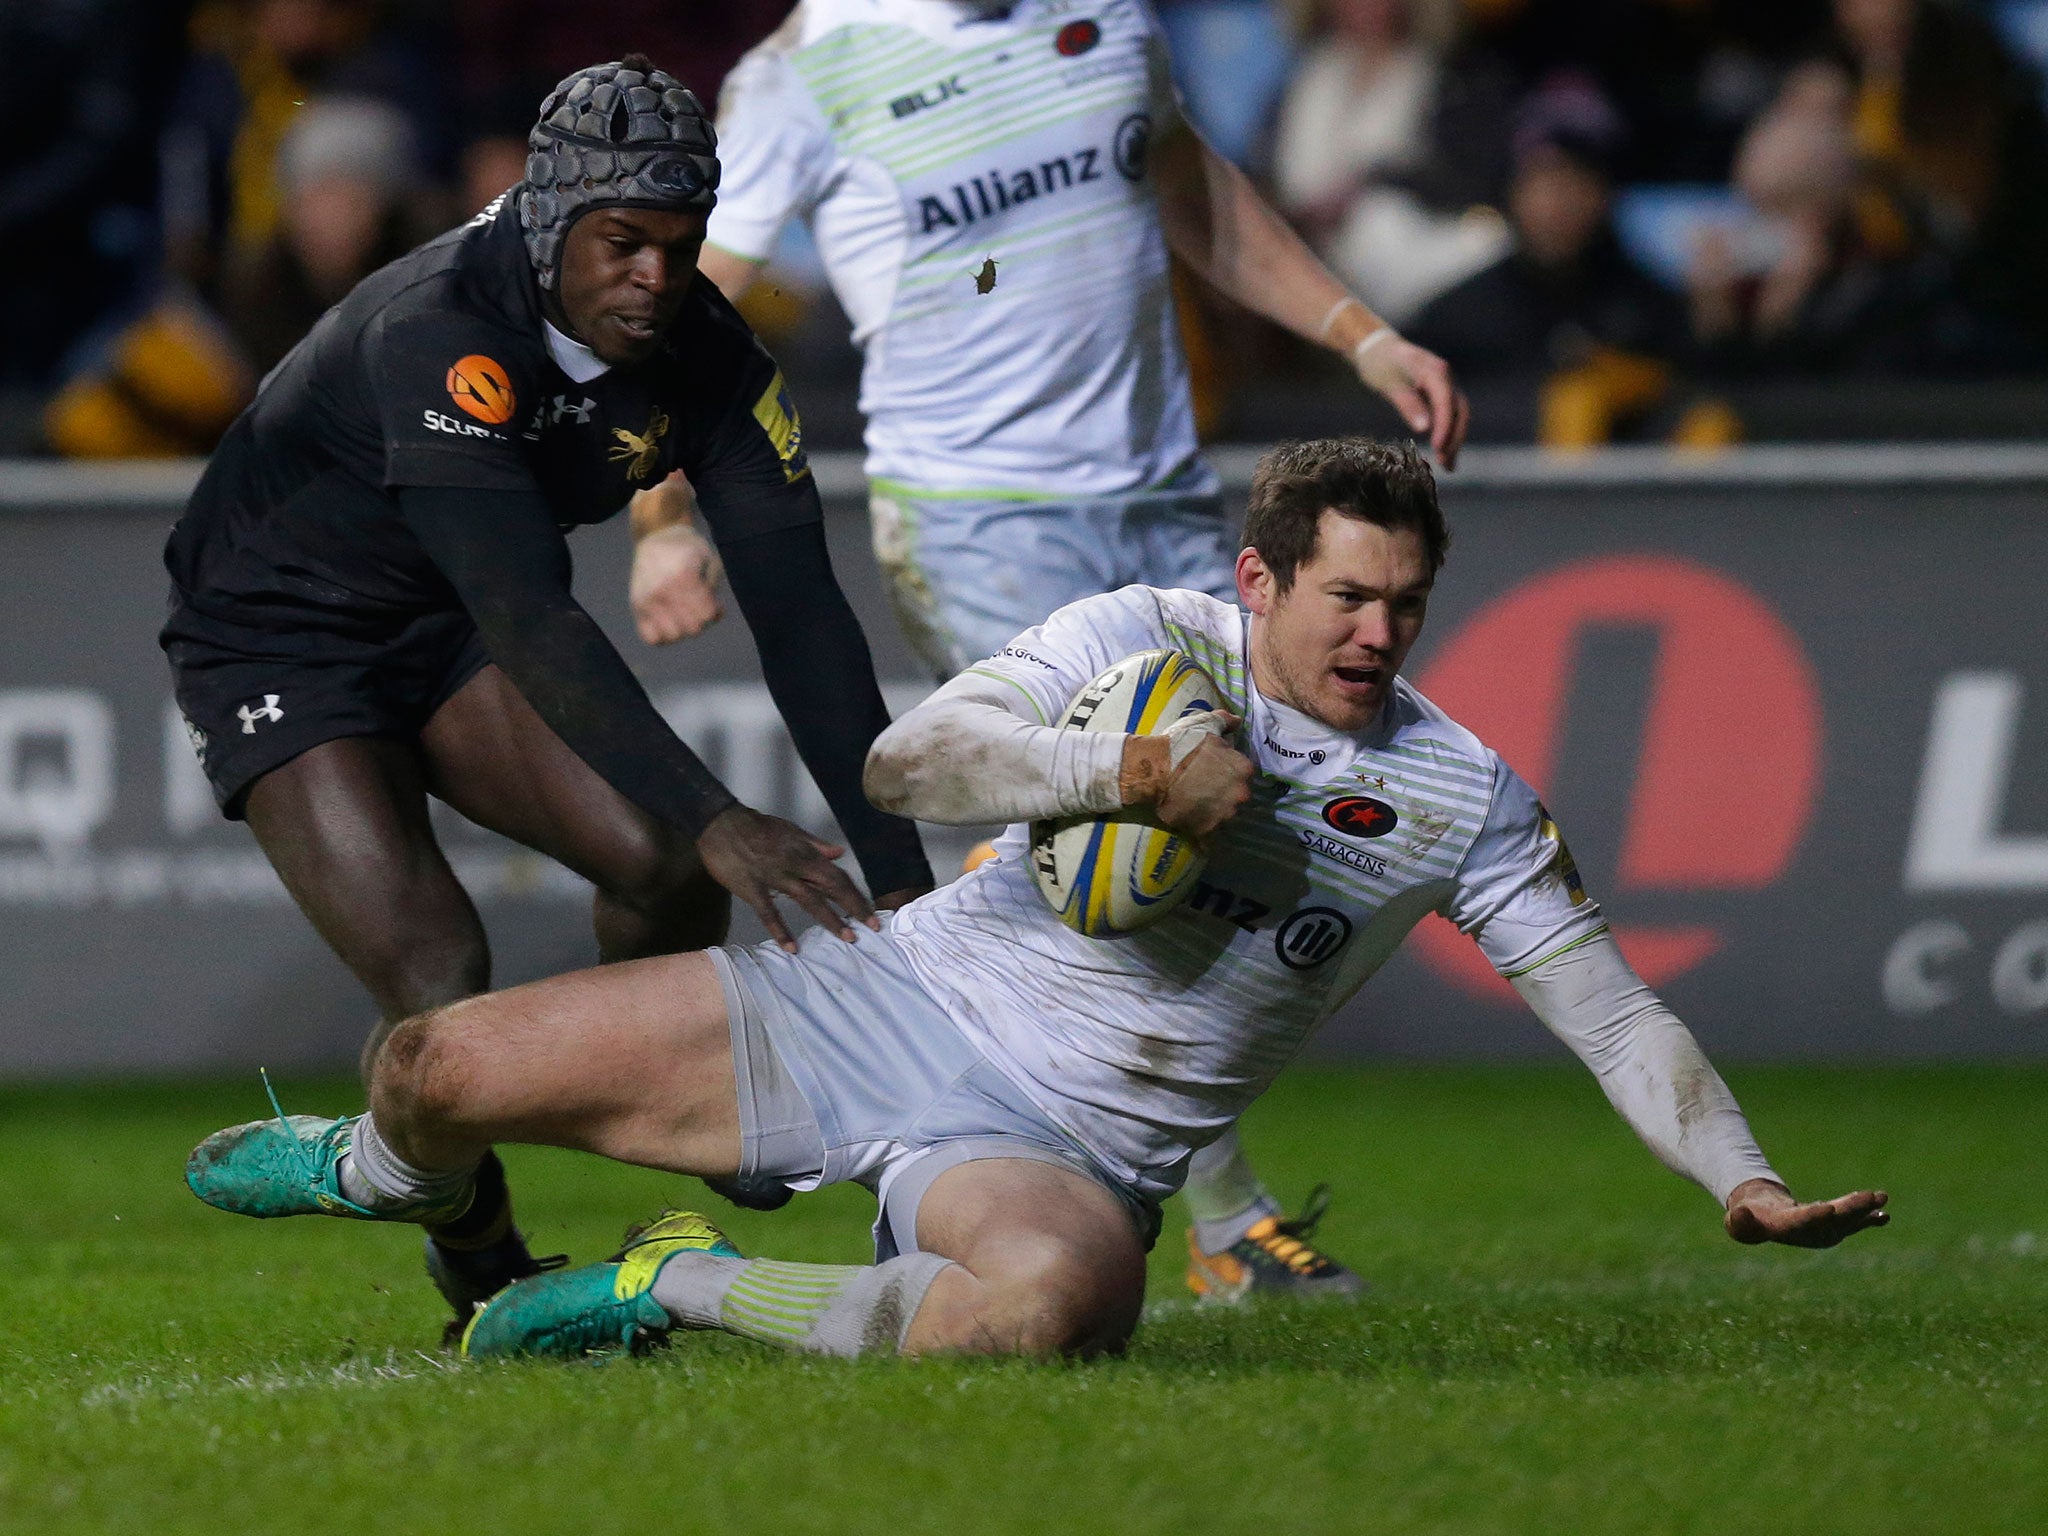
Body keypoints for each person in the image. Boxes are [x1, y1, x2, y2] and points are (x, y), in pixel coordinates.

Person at [184, 436, 1888, 1364]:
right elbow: (910, 764)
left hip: (1066, 1151)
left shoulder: (1457, 793)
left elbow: (1604, 1000)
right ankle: (363, 1171)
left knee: (1050, 1317)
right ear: (1256, 579)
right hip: (883, 1001)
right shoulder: (1141, 640)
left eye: (1407, 606)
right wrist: (1116, 780)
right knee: (433, 1067)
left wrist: (1736, 1175)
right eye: (1349, 597)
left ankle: (659, 1290)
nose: (1379, 634)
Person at [646, 0, 1473, 1302]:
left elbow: (1191, 189)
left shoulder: (1107, 15)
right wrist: (662, 509)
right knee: (1118, 847)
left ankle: (967, 1163)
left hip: (1158, 501)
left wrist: (1361, 334)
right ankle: (1186, 1214)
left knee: (1234, 841)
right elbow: (685, 307)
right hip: (978, 522)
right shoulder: (811, 69)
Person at [161, 57, 932, 1336]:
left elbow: (803, 619)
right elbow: (530, 616)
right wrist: (719, 812)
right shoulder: (440, 328)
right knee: (437, 967)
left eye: (682, 247)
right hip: (277, 637)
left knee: (659, 864)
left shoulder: (711, 357)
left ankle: (659, 1122)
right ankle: (481, 1261)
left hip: (442, 615)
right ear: (546, 219)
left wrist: (898, 875)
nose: (656, 276)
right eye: (622, 241)